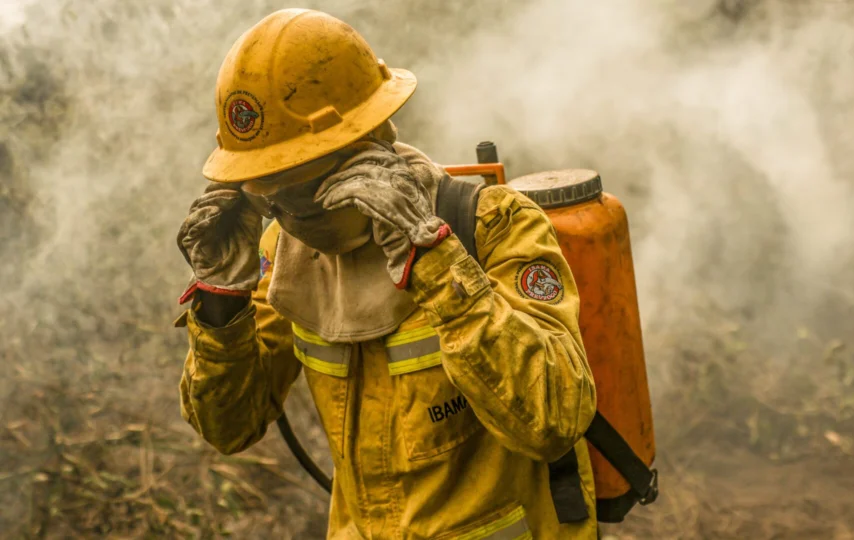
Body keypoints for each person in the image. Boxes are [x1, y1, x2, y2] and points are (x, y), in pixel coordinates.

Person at [175, 9, 598, 539]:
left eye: (300, 179)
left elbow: (555, 419)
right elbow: (228, 427)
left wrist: (434, 260)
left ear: (367, 142)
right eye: (268, 188)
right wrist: (222, 300)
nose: (289, 208)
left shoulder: (491, 225)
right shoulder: (283, 255)